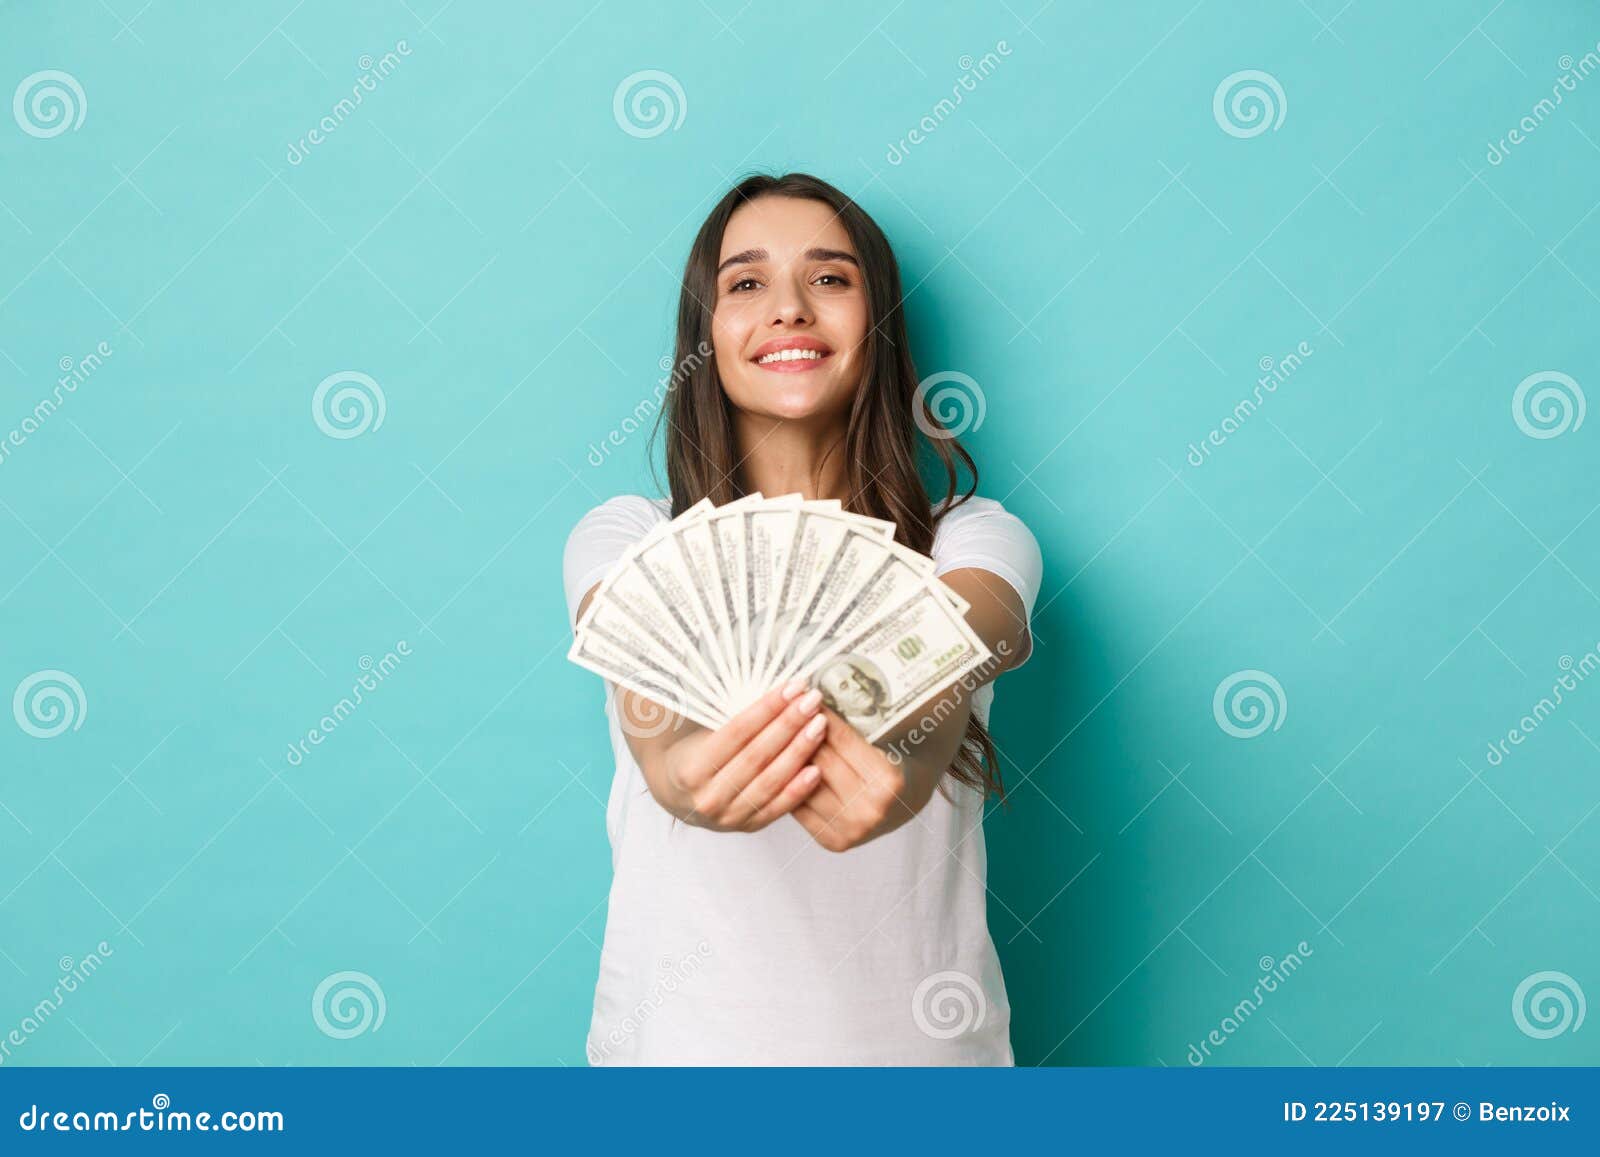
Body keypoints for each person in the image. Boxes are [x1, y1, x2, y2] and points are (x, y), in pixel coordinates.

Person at [563, 172, 1042, 1064]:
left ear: (879, 322)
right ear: (704, 336)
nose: (787, 307)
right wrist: (679, 774)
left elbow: (978, 631)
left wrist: (897, 752)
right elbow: (651, 706)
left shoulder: (971, 538)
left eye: (830, 278)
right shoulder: (628, 534)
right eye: (745, 283)